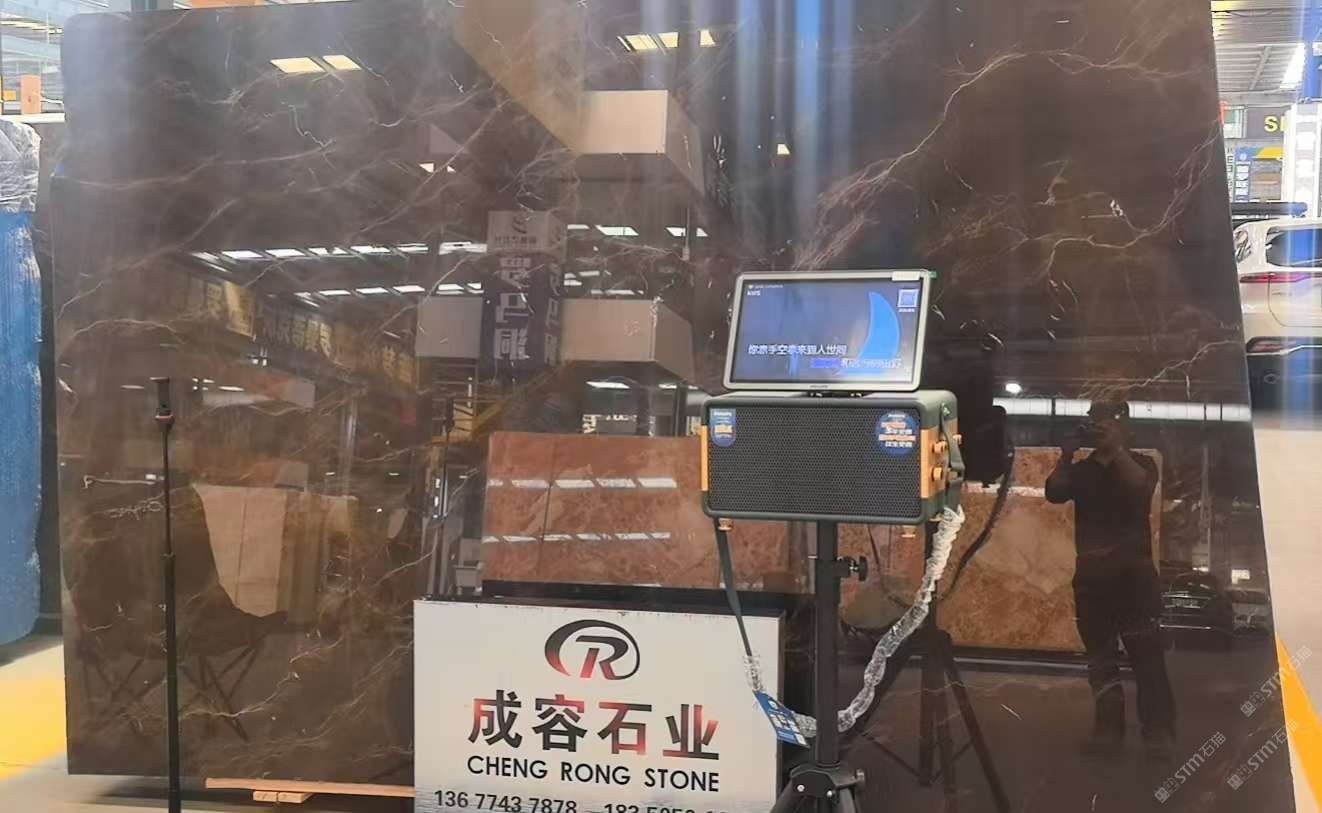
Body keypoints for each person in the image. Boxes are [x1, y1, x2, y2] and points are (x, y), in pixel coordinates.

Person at [1045, 398, 1176, 759]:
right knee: (1101, 661)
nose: (1100, 427)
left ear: (1125, 428)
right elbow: (1054, 492)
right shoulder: (1082, 470)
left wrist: (1116, 450)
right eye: (1095, 421)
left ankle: (1158, 732)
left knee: (1147, 659)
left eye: (1108, 421)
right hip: (1092, 580)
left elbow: (1140, 487)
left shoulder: (1143, 463)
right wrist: (1066, 455)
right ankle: (1107, 731)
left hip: (1135, 580)